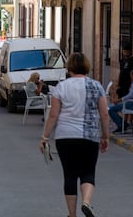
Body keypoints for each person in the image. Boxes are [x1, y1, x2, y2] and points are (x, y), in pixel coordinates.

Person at [39, 52, 109, 217]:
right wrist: (106, 136)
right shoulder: (96, 86)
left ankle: (72, 214)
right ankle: (86, 202)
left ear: (69, 67)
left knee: (69, 175)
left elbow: (54, 115)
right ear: (86, 66)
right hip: (89, 137)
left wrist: (45, 137)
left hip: (65, 137)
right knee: (88, 172)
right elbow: (104, 114)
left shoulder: (61, 87)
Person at [109, 69, 133, 133]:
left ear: (132, 75)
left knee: (110, 109)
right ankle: (123, 124)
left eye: (130, 76)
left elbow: (132, 94)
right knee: (112, 107)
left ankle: (121, 125)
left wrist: (120, 100)